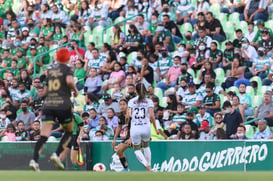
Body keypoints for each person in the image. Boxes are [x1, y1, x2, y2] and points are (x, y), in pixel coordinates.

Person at [29, 47, 79, 171]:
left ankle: (34, 160)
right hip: (63, 104)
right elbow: (69, 81)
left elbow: (45, 91)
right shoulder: (68, 69)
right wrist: (75, 90)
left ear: (56, 56)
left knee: (44, 135)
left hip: (49, 104)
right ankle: (56, 154)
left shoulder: (50, 70)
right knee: (69, 131)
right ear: (68, 58)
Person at [127, 83, 158, 171]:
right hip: (146, 127)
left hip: (135, 128)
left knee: (136, 149)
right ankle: (149, 166)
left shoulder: (131, 101)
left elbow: (128, 116)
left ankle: (146, 164)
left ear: (135, 91)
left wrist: (127, 126)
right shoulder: (149, 101)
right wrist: (155, 128)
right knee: (146, 146)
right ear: (145, 90)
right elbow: (152, 116)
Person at [111, 99, 131, 171]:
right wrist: (114, 139)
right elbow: (119, 127)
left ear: (127, 105)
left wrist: (131, 138)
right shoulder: (120, 115)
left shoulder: (132, 114)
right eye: (120, 104)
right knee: (119, 150)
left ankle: (148, 166)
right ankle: (126, 168)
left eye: (124, 104)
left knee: (140, 151)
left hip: (136, 135)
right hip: (128, 136)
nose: (122, 106)